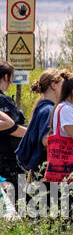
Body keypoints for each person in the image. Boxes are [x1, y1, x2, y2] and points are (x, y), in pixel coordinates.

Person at [0, 60, 29, 190]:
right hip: (7, 161)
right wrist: (33, 134)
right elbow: (12, 128)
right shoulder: (2, 101)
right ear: (6, 77)